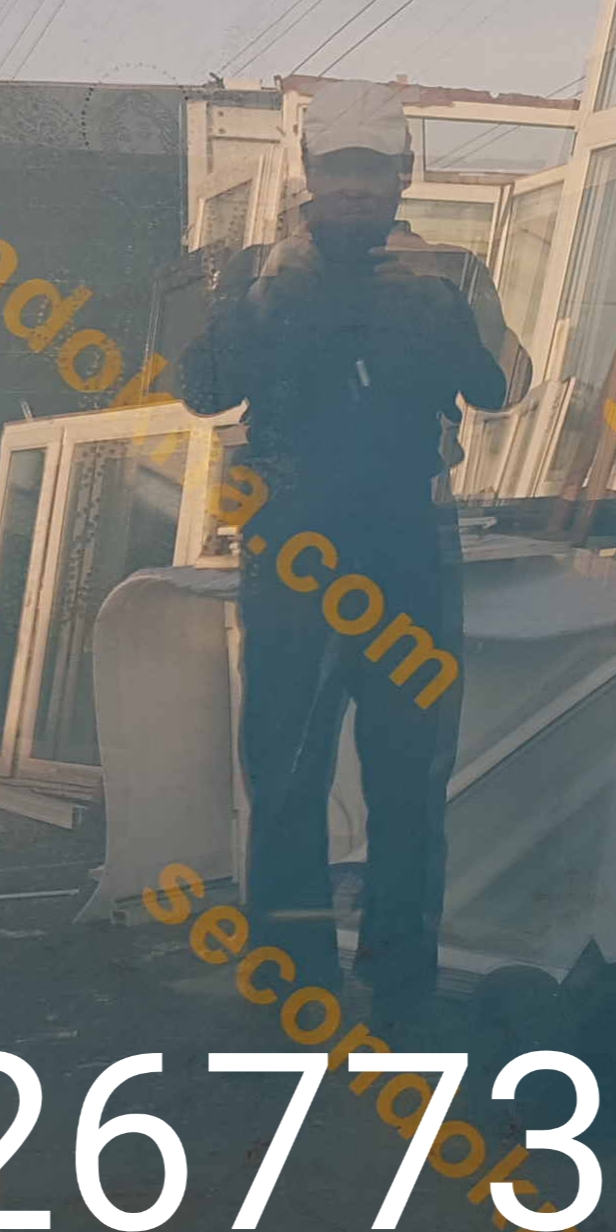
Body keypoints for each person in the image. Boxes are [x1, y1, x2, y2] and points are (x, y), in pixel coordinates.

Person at [177, 80, 528, 1026]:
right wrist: (266, 298)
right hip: (290, 551)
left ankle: (400, 981)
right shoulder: (255, 268)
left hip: (407, 543)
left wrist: (434, 309)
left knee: (408, 772)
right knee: (284, 768)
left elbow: (503, 385)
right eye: (339, 169)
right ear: (307, 171)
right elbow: (199, 389)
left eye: (374, 170)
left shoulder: (449, 270)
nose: (356, 189)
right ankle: (290, 982)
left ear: (405, 173)